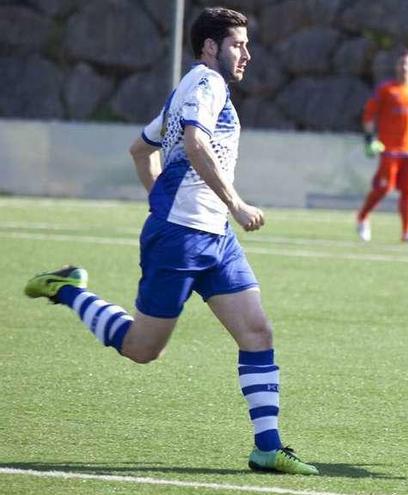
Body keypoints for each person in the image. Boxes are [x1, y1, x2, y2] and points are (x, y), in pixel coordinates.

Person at [24, 7, 318, 476]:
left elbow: (141, 149)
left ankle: (268, 447)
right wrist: (235, 204)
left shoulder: (188, 89)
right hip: (182, 239)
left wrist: (166, 199)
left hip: (213, 237)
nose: (247, 53)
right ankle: (69, 291)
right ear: (210, 47)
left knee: (257, 332)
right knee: (143, 349)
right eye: (238, 44)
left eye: (245, 44)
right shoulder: (206, 83)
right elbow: (196, 144)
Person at [356, 48, 408, 245]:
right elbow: (369, 115)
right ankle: (363, 218)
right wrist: (369, 139)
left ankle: (407, 232)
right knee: (384, 187)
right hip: (390, 149)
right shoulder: (386, 90)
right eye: (402, 63)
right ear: (396, 66)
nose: (405, 67)